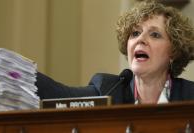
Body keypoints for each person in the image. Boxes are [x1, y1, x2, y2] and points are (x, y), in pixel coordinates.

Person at [36, 0, 194, 104]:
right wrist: (13, 68)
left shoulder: (190, 95)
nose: (141, 39)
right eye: (135, 33)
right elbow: (57, 95)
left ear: (173, 51)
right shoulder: (109, 90)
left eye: (154, 34)